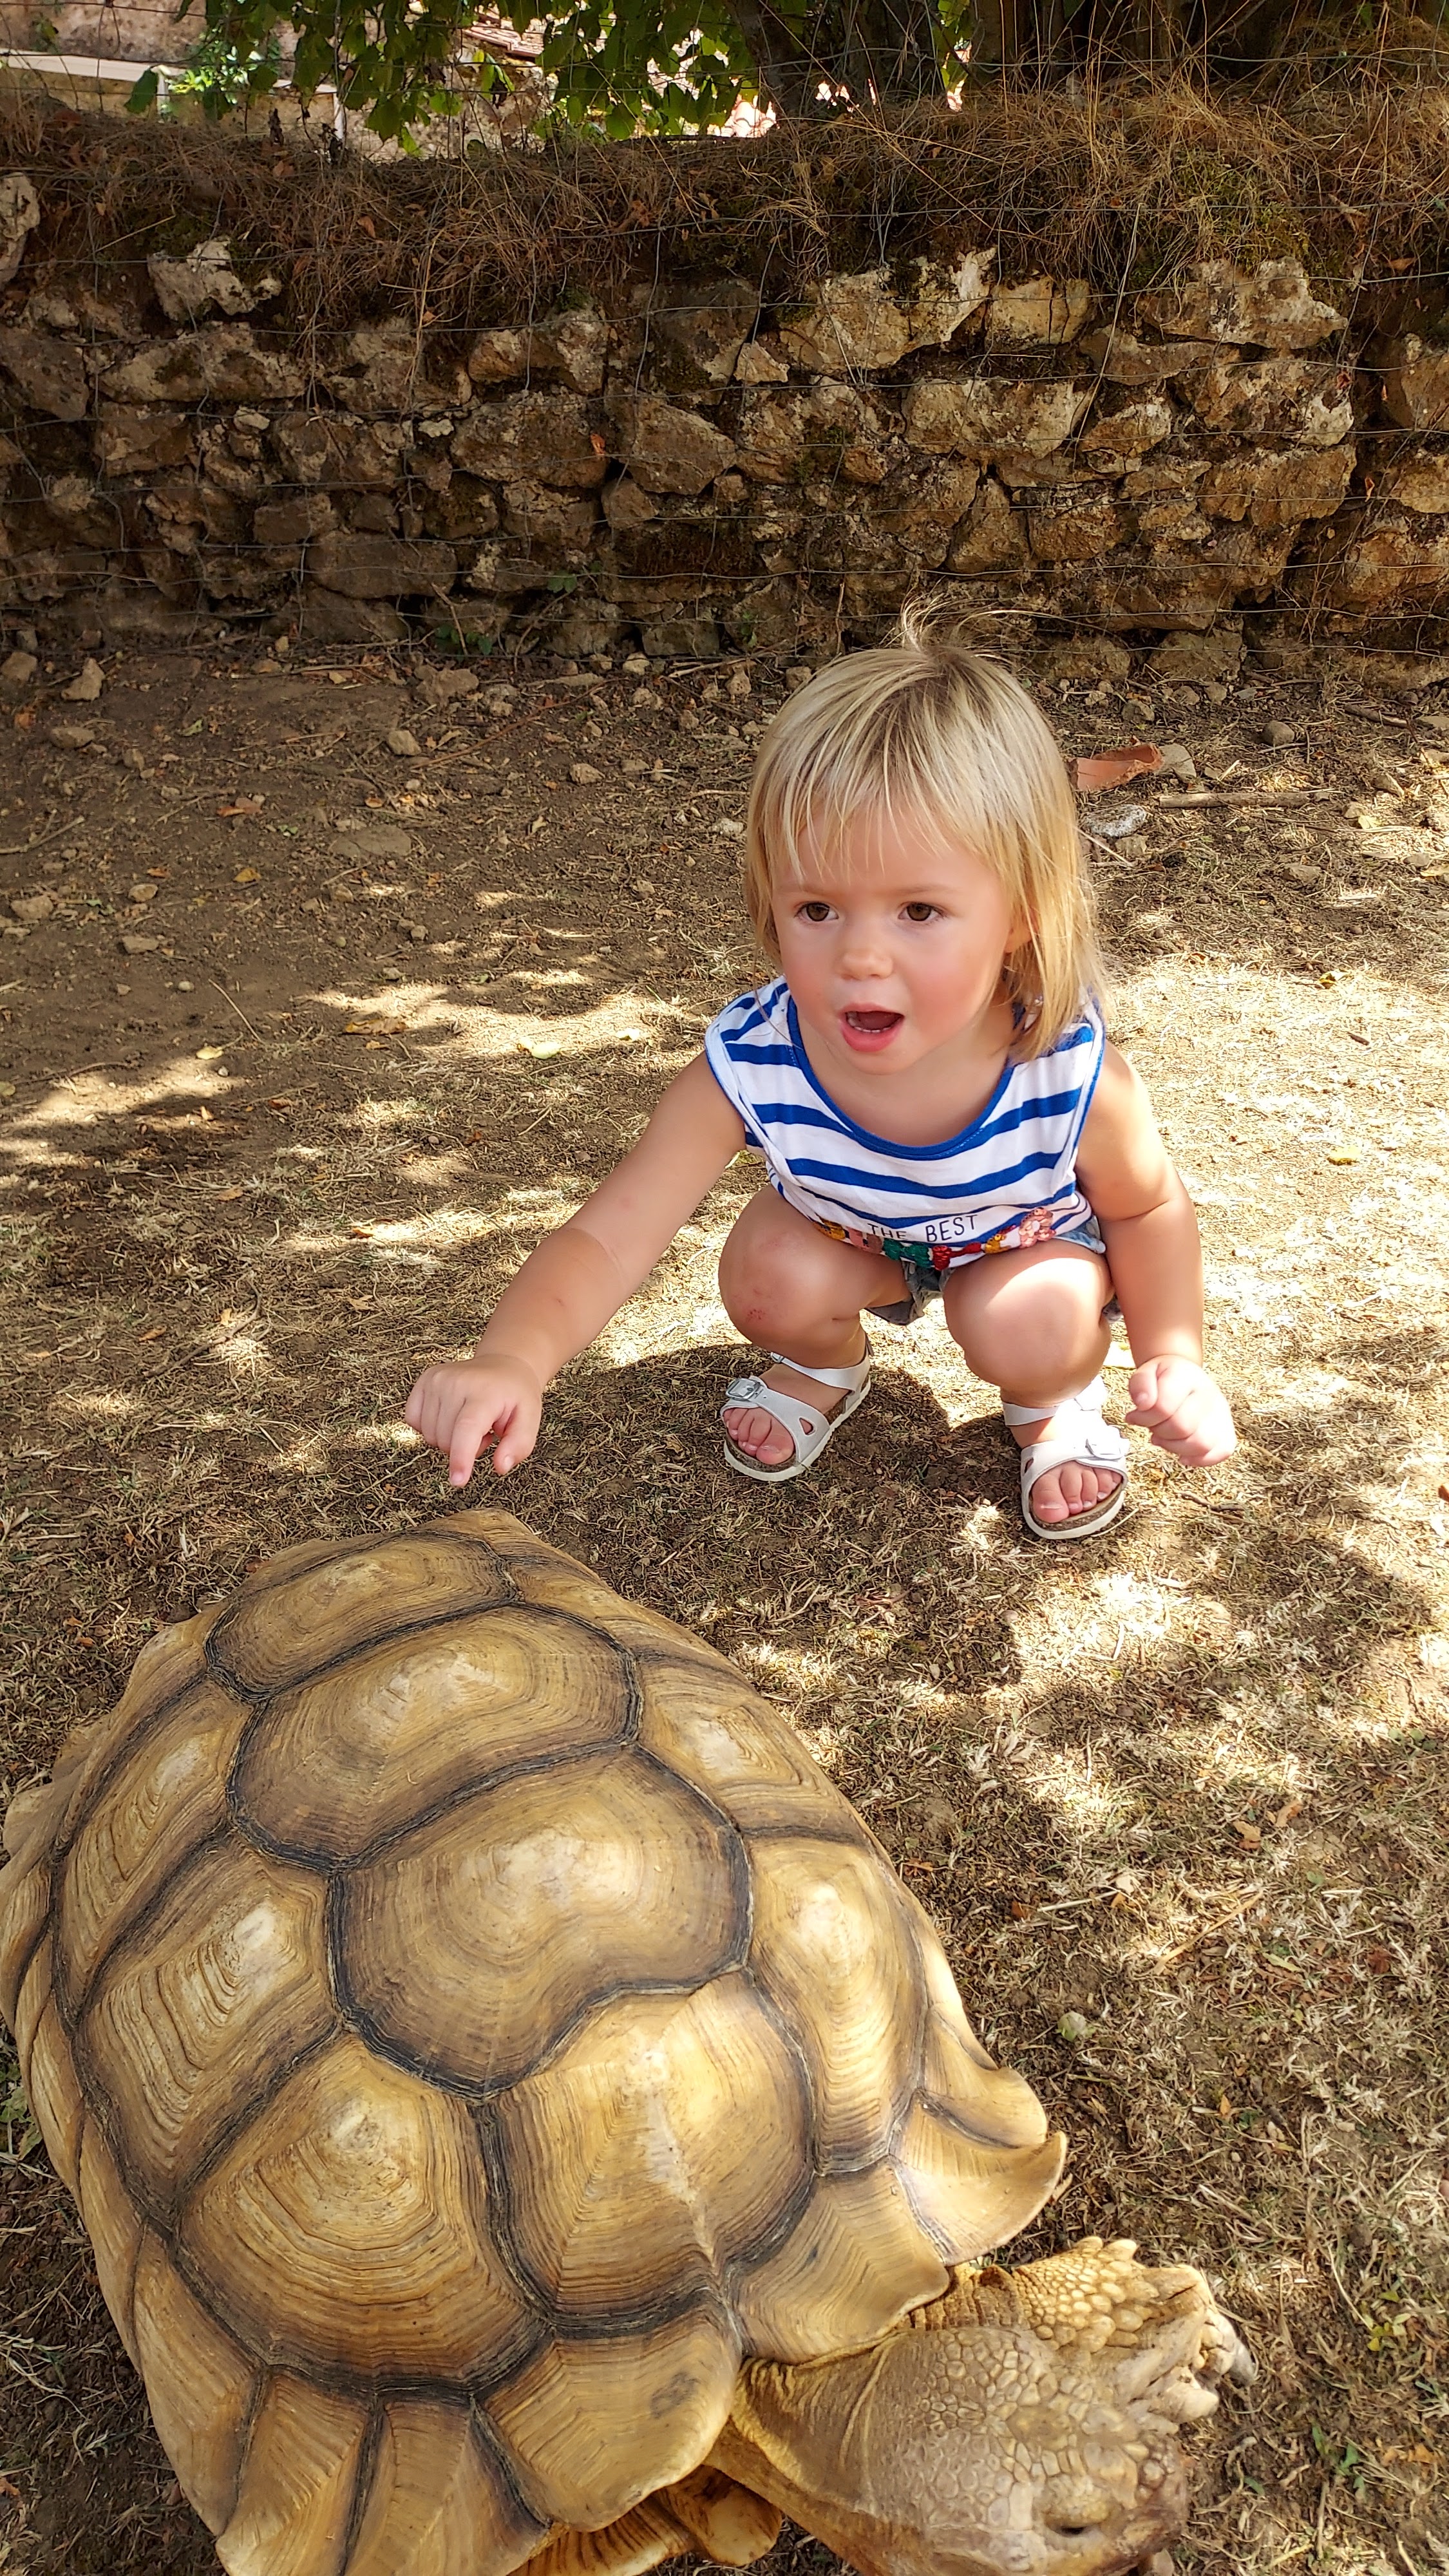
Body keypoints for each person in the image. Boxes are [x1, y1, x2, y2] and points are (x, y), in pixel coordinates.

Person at [404, 609, 1236, 1540]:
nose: (860, 957)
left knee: (1033, 1322)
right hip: (850, 1245)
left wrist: (1174, 1355)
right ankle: (826, 1364)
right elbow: (610, 1234)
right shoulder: (753, 1061)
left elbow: (1146, 1209)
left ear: (1020, 914)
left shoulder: (1066, 1072)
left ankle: (1048, 1402)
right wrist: (513, 1358)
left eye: (918, 910)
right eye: (816, 909)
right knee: (766, 1278)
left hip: (1019, 1256)